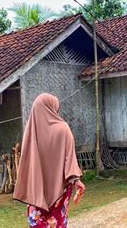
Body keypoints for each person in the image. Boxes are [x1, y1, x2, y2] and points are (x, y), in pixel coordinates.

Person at [14, 93, 85, 227]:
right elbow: (69, 159)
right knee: (56, 222)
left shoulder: (30, 132)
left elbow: (25, 165)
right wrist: (76, 180)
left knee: (37, 222)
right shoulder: (63, 129)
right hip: (59, 188)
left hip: (36, 188)